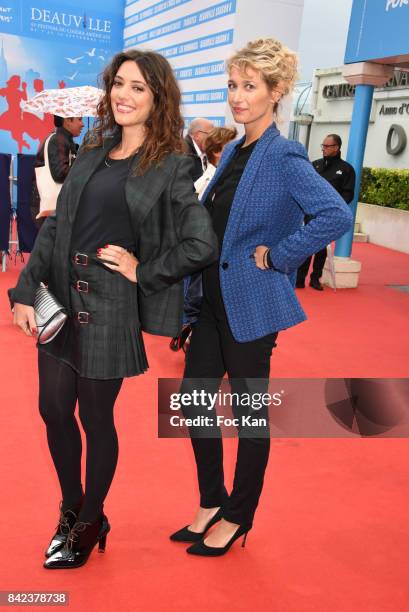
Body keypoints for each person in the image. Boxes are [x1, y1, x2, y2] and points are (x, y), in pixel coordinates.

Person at [10, 49, 217, 569]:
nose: (123, 95)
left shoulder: (171, 165)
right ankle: (73, 506)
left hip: (108, 306)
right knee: (53, 410)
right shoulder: (93, 149)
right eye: (118, 84)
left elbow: (201, 243)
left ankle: (91, 516)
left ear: (157, 98)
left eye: (138, 88)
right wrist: (23, 290)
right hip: (57, 292)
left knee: (95, 418)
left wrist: (140, 270)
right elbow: (56, 225)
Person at [169, 38, 353, 556]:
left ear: (276, 93)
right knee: (195, 402)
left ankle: (239, 515)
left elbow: (335, 214)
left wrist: (280, 255)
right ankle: (211, 501)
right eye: (233, 85)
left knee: (250, 415)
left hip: (250, 305)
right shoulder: (231, 150)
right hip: (209, 301)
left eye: (250, 86)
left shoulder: (284, 153)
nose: (238, 96)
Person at [170, 125, 238, 352]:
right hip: (206, 258)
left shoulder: (217, 180)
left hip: (210, 258)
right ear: (218, 151)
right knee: (199, 305)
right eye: (232, 146)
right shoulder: (207, 183)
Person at [296, 133, 356, 290]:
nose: (323, 149)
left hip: (329, 216)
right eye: (323, 146)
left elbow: (348, 193)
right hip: (310, 213)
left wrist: (334, 209)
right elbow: (305, 186)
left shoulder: (346, 169)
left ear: (336, 148)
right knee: (305, 245)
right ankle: (299, 278)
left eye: (327, 146)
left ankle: (315, 278)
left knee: (321, 248)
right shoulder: (314, 165)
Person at [31, 115, 84, 229]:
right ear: (67, 121)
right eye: (79, 119)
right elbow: (60, 174)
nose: (82, 124)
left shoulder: (64, 140)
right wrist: (82, 166)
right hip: (51, 207)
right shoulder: (57, 140)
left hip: (56, 206)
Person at [194, 126, 238, 198]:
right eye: (232, 147)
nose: (237, 150)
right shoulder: (205, 184)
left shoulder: (227, 178)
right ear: (216, 151)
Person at [184, 117, 214, 182]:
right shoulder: (184, 154)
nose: (213, 139)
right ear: (197, 135)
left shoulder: (206, 152)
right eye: (211, 134)